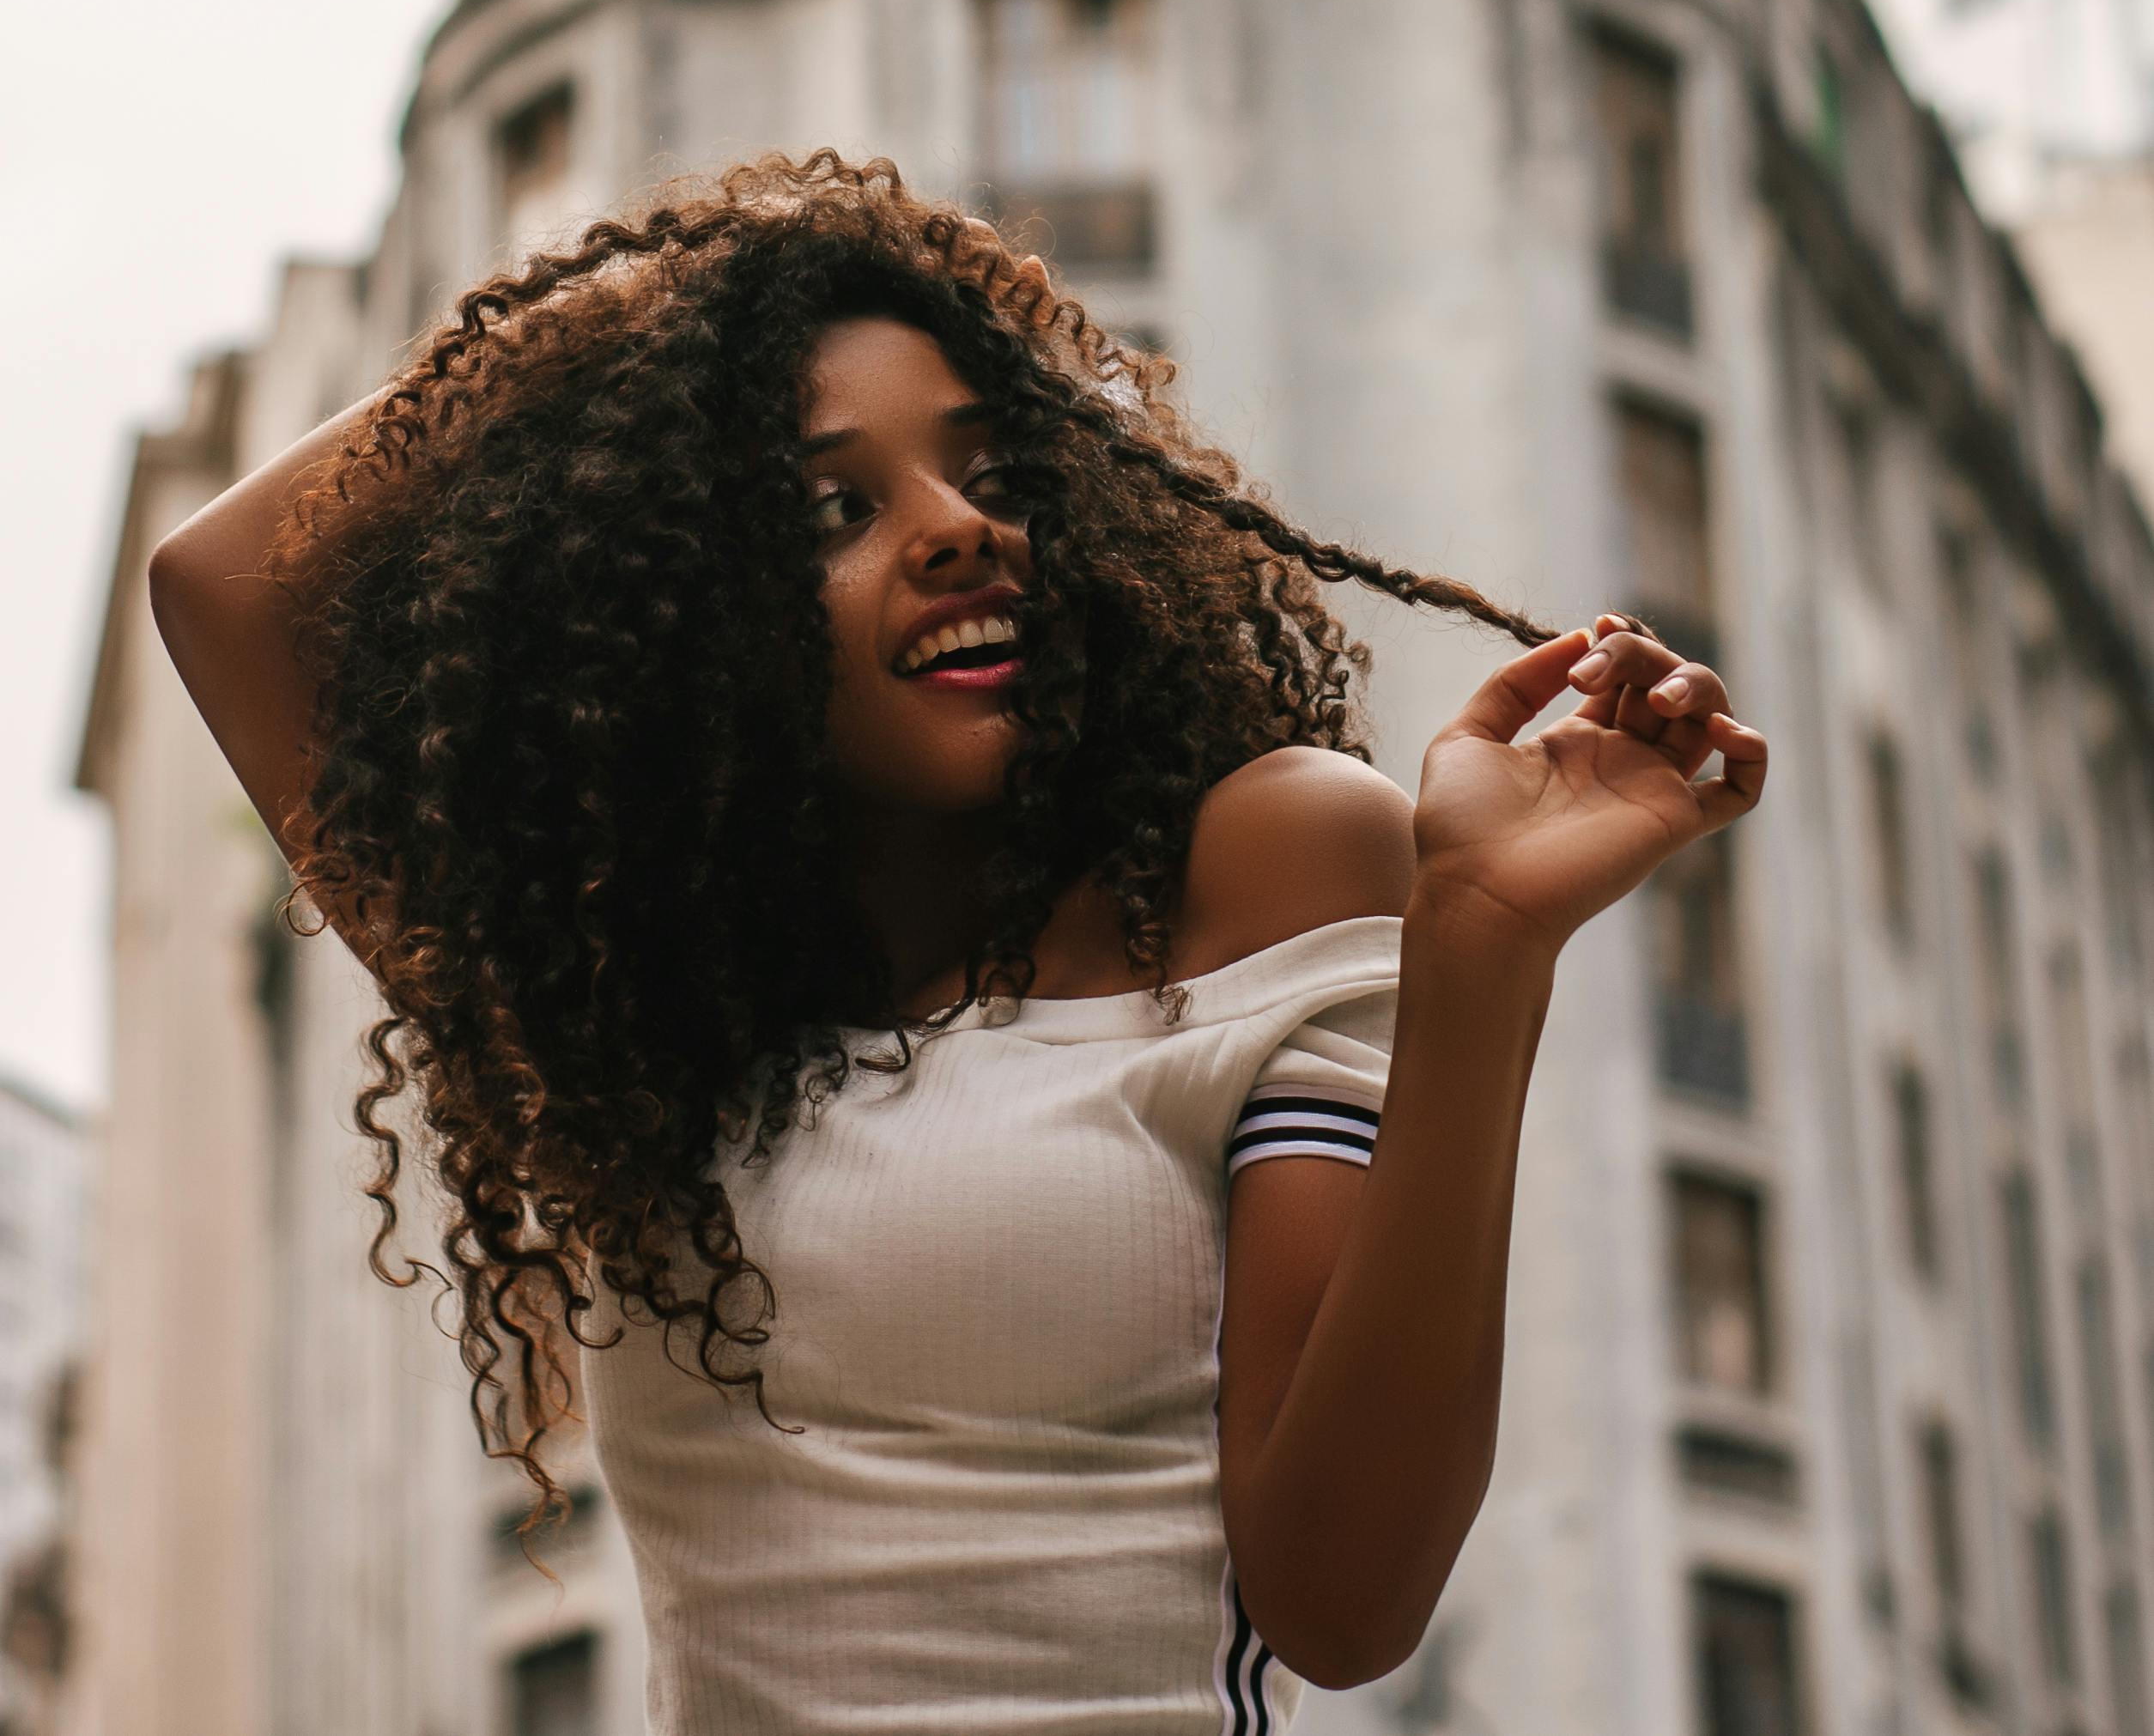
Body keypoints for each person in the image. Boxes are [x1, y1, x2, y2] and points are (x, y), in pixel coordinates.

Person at [149, 150, 1766, 1733]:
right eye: (831, 507)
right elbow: (222, 580)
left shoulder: (1258, 867)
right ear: (683, 606)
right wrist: (710, 281)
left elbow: (1342, 1607)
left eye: (994, 478)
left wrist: (1482, 941)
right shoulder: (637, 1024)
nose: (957, 530)